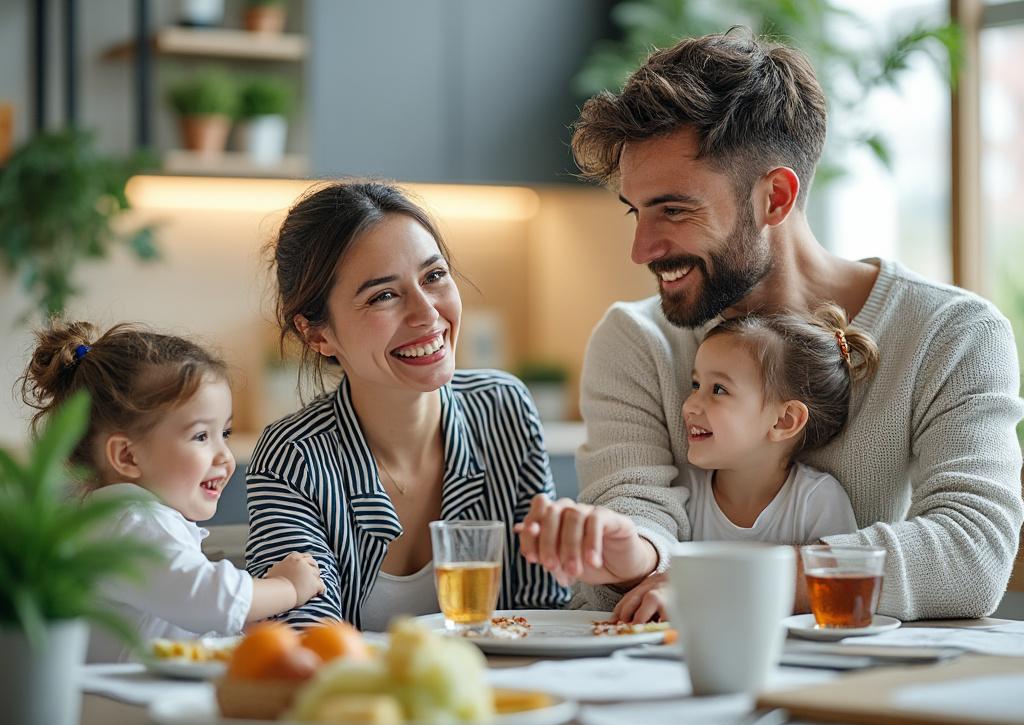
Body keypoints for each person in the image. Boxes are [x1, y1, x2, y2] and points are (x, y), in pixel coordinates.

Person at [526, 30, 1024, 621]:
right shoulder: (637, 341)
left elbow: (972, 550)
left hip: (864, 692)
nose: (641, 249)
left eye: (675, 209)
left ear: (776, 197)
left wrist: (731, 582)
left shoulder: (952, 333)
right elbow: (639, 514)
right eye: (637, 211)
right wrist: (627, 554)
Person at [245, 180, 568, 630]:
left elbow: (544, 612)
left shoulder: (504, 410)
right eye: (383, 295)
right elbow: (308, 643)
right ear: (316, 334)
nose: (427, 314)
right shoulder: (295, 456)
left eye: (434, 277)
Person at [20, 321, 325, 661]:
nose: (224, 456)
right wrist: (288, 588)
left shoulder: (118, 519)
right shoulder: (133, 524)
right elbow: (209, 599)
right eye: (200, 436)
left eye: (224, 433)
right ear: (127, 456)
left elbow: (182, 615)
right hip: (121, 708)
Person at [610, 305, 878, 622]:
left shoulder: (817, 501)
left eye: (718, 389)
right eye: (696, 385)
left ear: (785, 420)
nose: (690, 405)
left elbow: (834, 605)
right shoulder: (683, 494)